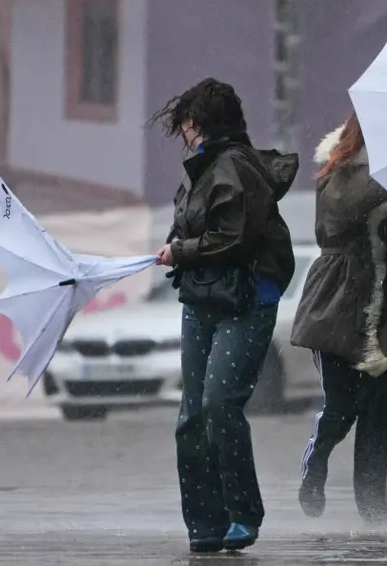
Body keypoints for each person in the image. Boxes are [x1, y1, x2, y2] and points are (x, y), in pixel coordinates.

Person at [150, 78, 297, 553]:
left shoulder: (235, 167)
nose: (184, 133)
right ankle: (204, 525)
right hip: (202, 298)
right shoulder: (199, 171)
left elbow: (234, 238)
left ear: (200, 123)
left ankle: (241, 513)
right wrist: (177, 245)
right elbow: (191, 227)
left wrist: (182, 250)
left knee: (217, 403)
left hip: (247, 298)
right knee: (191, 416)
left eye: (187, 124)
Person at [290, 113, 387, 527]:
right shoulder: (338, 171)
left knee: (376, 409)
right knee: (341, 405)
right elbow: (345, 208)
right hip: (336, 299)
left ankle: (374, 507)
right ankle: (316, 462)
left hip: (381, 307)